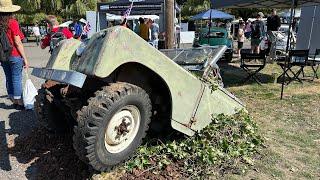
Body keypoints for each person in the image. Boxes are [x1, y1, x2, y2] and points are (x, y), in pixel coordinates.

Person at [0, 0, 29, 110]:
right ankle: (19, 103)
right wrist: (25, 58)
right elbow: (17, 42)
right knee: (16, 77)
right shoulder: (12, 22)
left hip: (3, 55)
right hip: (14, 54)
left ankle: (13, 100)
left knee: (8, 77)